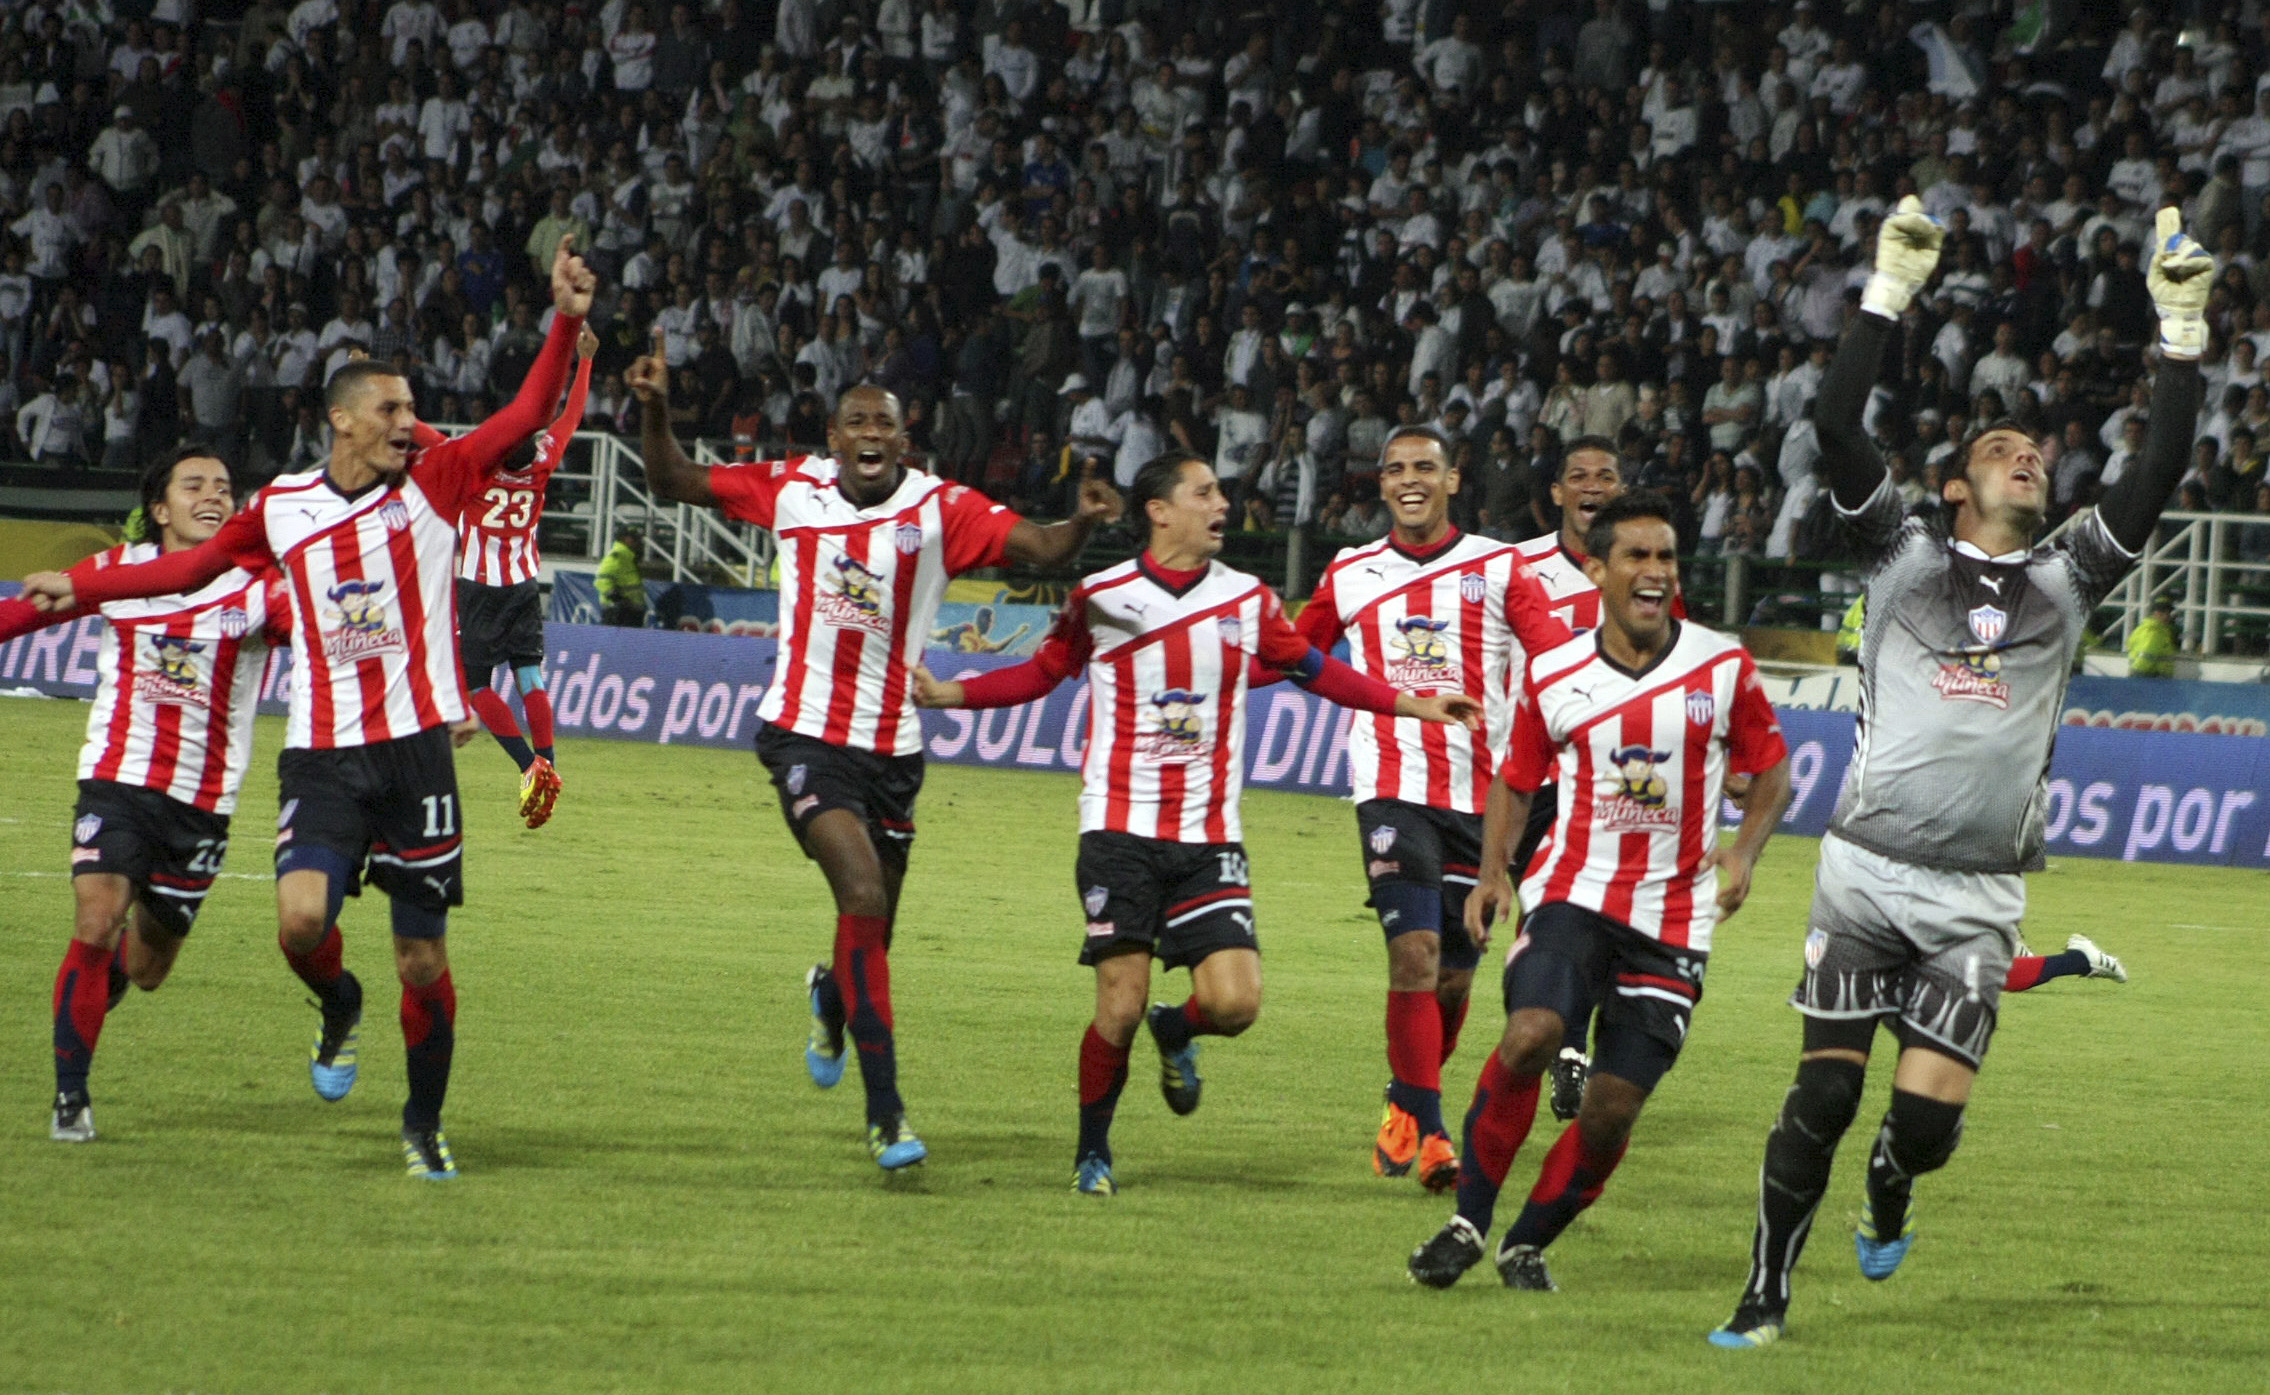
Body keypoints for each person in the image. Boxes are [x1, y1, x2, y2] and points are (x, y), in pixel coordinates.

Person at [1709, 203, 2208, 1349]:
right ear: (1950, 488)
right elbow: (1835, 424)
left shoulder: (2069, 575)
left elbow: (2160, 466)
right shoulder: (1900, 555)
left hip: (1978, 898)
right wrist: (1881, 295)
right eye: (1998, 450)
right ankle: (1763, 1293)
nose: (2025, 455)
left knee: (1921, 1128)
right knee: (1821, 1094)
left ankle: (1894, 1183)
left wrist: (2177, 329)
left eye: (2034, 452)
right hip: (1865, 876)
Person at [22, 238, 600, 1181]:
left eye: (412, 408)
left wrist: (565, 319)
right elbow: (184, 569)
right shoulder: (285, 506)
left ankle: (422, 1123)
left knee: (423, 956)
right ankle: (337, 1004)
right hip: (325, 756)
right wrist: (81, 589)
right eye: (394, 407)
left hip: (415, 752)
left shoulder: (439, 485)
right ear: (344, 419)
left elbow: (527, 414)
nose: (412, 422)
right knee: (299, 919)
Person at [910, 452, 1483, 1196]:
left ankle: (1177, 1029)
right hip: (1118, 831)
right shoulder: (1104, 596)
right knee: (1116, 1003)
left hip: (1210, 838)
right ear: (1160, 510)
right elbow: (1046, 670)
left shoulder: (1247, 599)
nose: (1222, 503)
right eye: (1205, 492)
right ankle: (1093, 1152)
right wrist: (950, 693)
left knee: (1236, 1004)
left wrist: (1413, 704)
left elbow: (1316, 667)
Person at [625, 330, 1123, 1171]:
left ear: (902, 438)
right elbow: (672, 478)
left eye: (881, 423)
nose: (866, 432)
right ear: (832, 437)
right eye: (852, 419)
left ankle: (830, 991)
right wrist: (657, 408)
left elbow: (1039, 549)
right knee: (857, 886)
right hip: (804, 734)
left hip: (894, 746)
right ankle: (887, 1112)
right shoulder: (791, 488)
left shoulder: (939, 509)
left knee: (872, 933)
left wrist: (1082, 518)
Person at [1407, 491, 1793, 1291]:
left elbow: (1773, 772)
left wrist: (1745, 852)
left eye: (1666, 558)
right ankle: (1467, 1222)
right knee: (1533, 1033)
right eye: (1637, 557)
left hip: (1675, 916)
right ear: (1597, 570)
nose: (1655, 573)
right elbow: (1515, 781)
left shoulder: (1723, 668)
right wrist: (1489, 877)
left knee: (1612, 1106)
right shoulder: (1555, 671)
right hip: (1572, 891)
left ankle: (1526, 1241)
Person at [1279, 425, 1572, 1191]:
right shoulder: (1349, 571)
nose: (1410, 479)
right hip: (1389, 783)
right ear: (1380, 485)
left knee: (1451, 979)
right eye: (1396, 469)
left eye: (1426, 468)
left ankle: (1405, 1101)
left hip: (1484, 802)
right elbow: (1293, 657)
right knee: (1411, 954)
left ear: (1451, 480)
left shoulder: (1499, 567)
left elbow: (1554, 655)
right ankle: (1437, 1134)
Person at [0, 450, 287, 1142]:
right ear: (160, 507)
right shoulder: (115, 571)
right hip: (118, 777)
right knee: (96, 919)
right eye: (195, 486)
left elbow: (328, 635)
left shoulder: (259, 586)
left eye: (225, 487)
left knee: (148, 964)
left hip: (203, 801)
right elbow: (21, 616)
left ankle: (106, 981)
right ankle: (72, 1097)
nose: (214, 496)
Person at [1509, 436, 1686, 1120]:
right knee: (1554, 906)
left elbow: (1683, 660)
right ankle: (1566, 1037)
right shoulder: (1514, 567)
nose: (1592, 484)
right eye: (1578, 476)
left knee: (1609, 909)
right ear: (1556, 493)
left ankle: (1576, 1043)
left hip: (1620, 778)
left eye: (1606, 475)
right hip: (1540, 769)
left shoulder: (1644, 576)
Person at [443, 323, 596, 828]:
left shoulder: (478, 468)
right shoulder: (544, 459)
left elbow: (426, 437)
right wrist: (586, 361)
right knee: (530, 675)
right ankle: (550, 764)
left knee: (477, 685)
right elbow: (570, 414)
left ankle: (530, 767)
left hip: (479, 587)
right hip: (524, 583)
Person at [596, 526, 648, 626]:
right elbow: (602, 580)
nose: (638, 542)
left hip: (632, 613)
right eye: (635, 538)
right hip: (619, 613)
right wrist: (618, 599)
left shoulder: (630, 558)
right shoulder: (618, 556)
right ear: (625, 539)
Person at [2125, 596, 2177, 676]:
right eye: (2166, 612)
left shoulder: (2145, 628)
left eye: (2168, 613)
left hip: (2149, 677)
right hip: (2151, 678)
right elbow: (2146, 656)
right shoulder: (2155, 632)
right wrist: (2136, 675)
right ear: (2156, 613)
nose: (2168, 616)